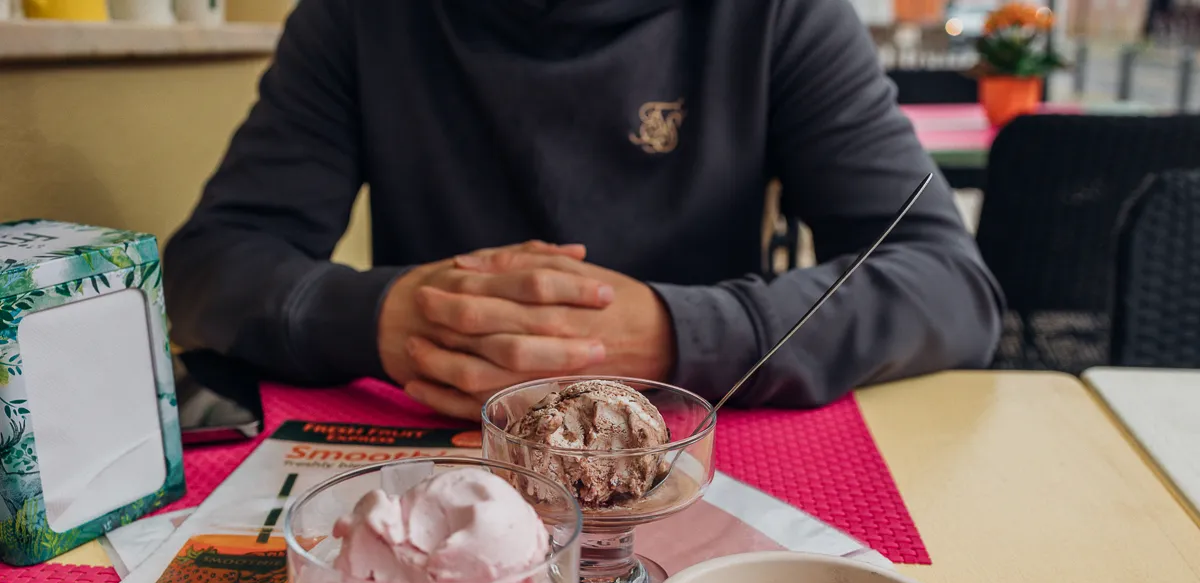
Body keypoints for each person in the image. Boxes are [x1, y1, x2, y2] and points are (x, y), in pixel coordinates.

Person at [165, 0, 1004, 420]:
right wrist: (392, 319)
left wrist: (674, 336)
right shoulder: (360, 16)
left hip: (699, 444)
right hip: (438, 454)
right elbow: (208, 266)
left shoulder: (776, 14)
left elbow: (949, 285)